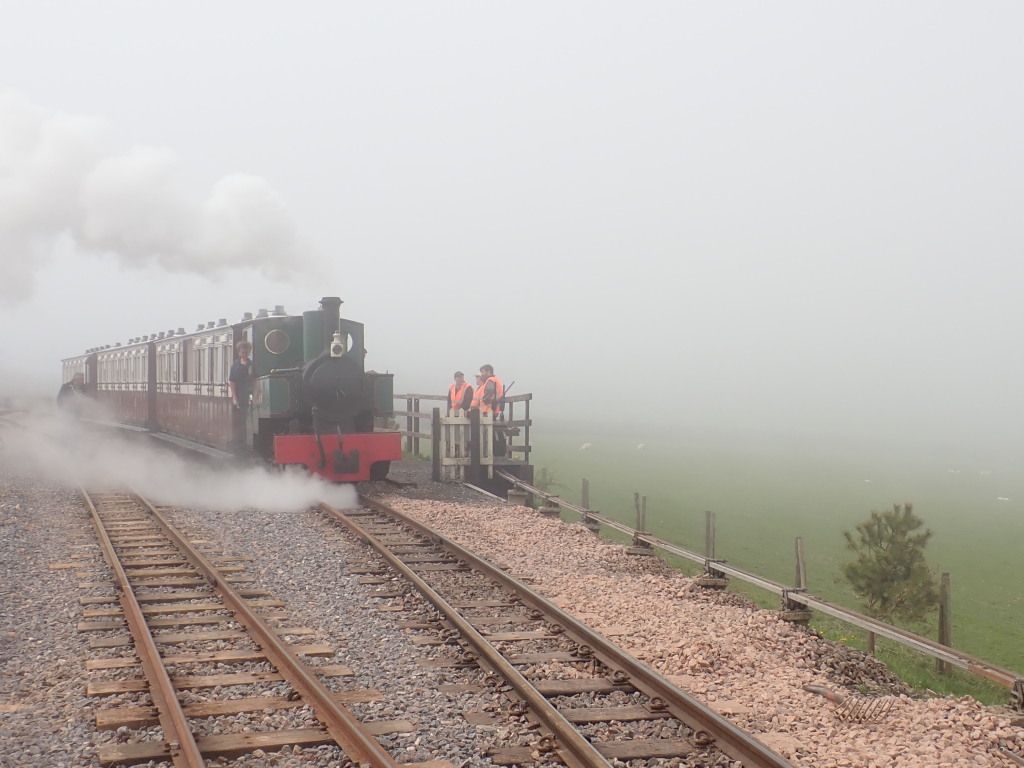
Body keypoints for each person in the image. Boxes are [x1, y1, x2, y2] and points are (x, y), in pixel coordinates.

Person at [228, 340, 254, 450]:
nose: (244, 354)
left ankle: (248, 443)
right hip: (239, 395)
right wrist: (234, 397)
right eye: (242, 352)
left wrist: (255, 394)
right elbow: (232, 381)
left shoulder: (252, 365)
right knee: (239, 420)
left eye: (246, 352)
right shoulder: (235, 365)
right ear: (239, 353)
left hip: (249, 395)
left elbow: (255, 380)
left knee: (248, 419)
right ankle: (238, 443)